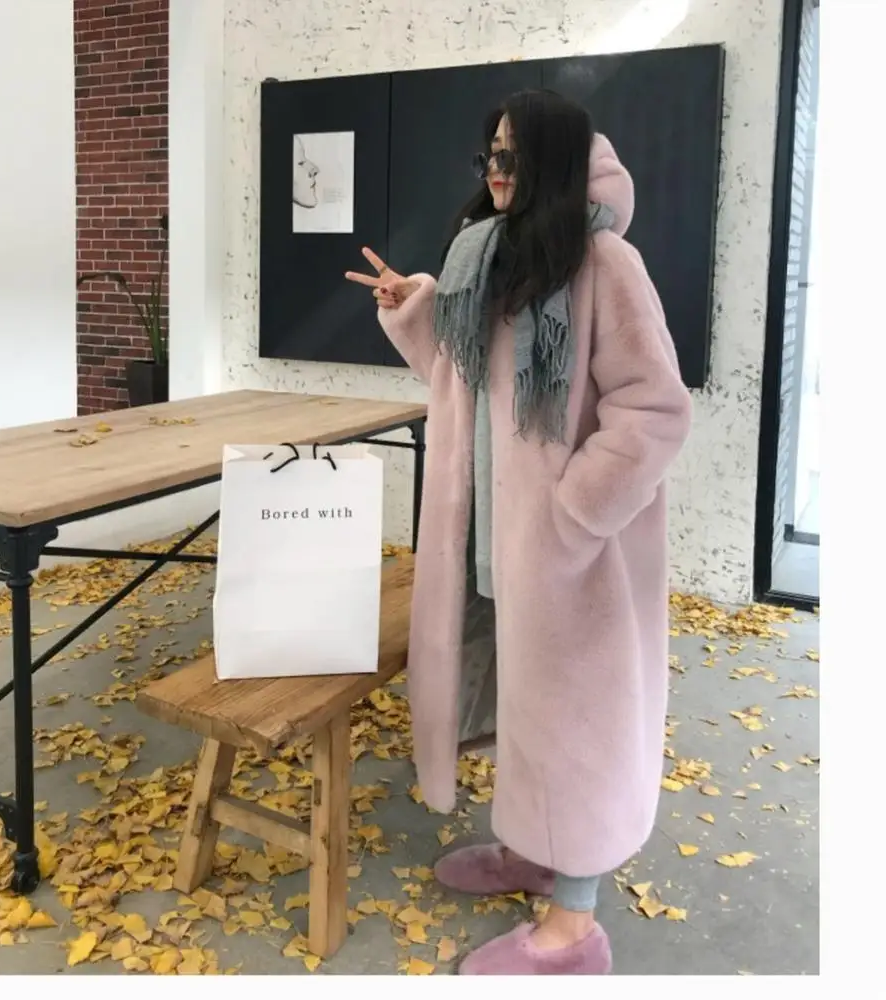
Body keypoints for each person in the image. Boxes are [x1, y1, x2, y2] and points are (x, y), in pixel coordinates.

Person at [344, 89, 693, 975]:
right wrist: (414, 307)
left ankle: (574, 927)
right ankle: (532, 851)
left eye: (511, 156)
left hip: (573, 557)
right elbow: (460, 379)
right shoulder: (485, 258)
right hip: (491, 540)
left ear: (551, 162)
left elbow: (654, 411)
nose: (495, 173)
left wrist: (574, 516)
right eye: (488, 156)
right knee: (521, 703)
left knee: (578, 721)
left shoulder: (606, 264)